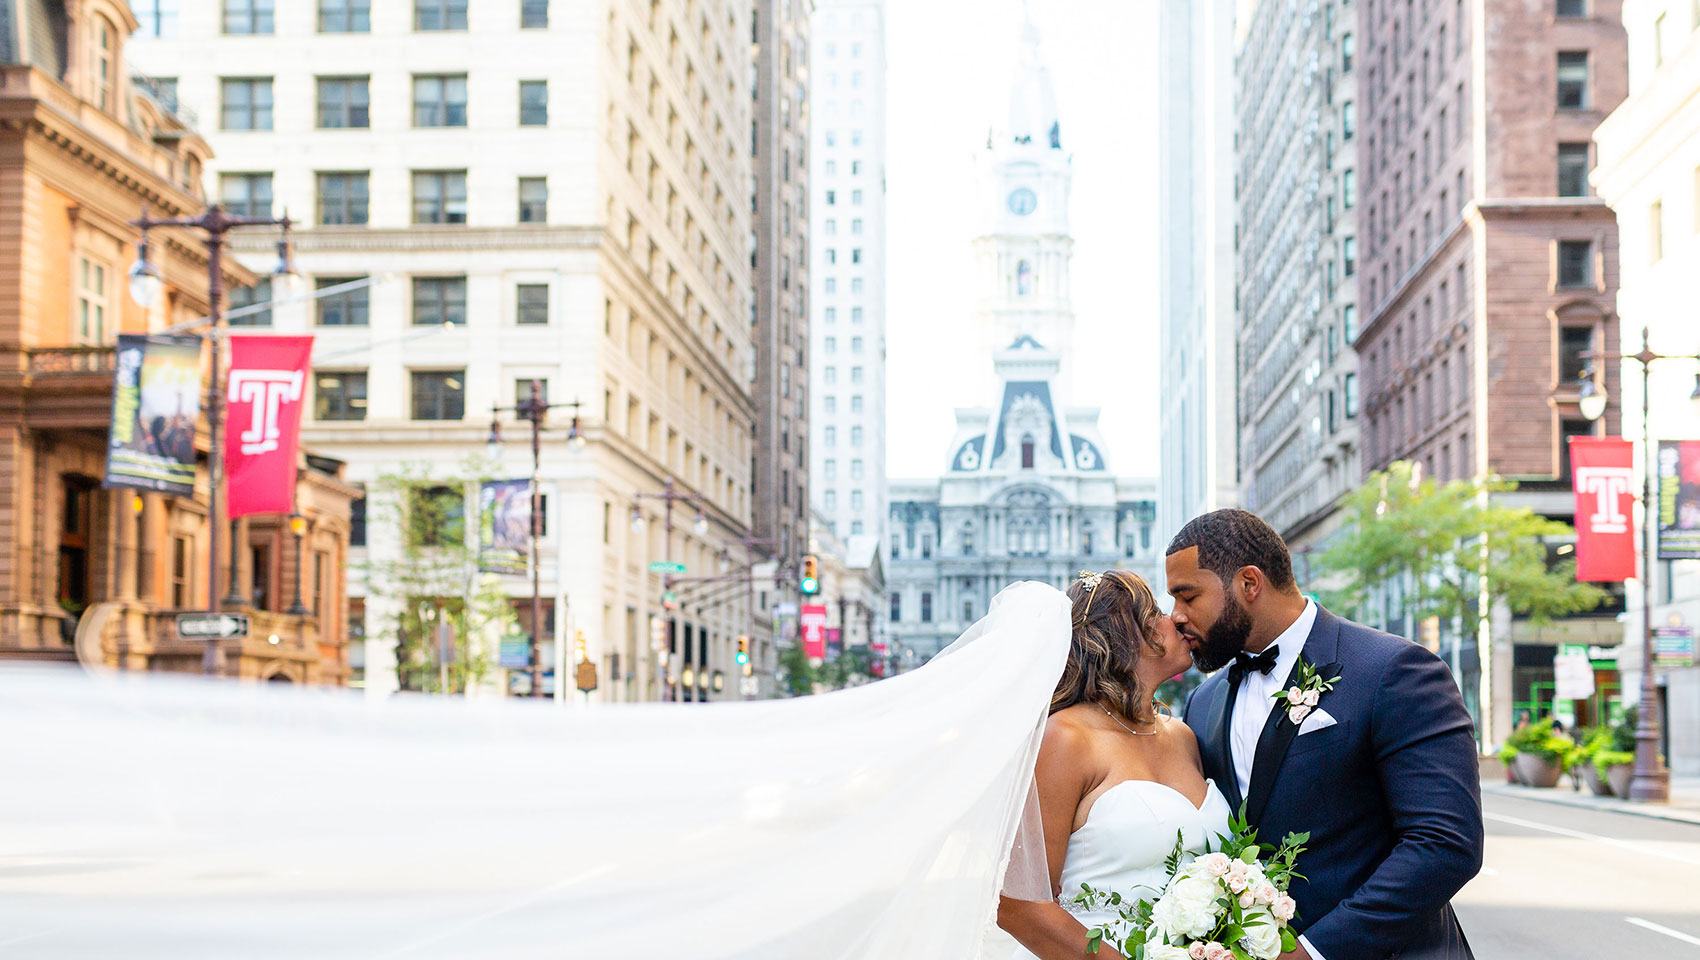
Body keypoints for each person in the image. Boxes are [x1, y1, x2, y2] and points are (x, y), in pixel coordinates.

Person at [1171, 509, 1483, 960]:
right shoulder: (1204, 702)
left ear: (1249, 583)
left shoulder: (1396, 670)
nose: (1177, 616)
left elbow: (1445, 844)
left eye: (1187, 596)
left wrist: (1314, 952)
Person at [998, 569, 1230, 959]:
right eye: (1155, 611)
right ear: (1123, 635)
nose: (1173, 619)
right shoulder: (1066, 739)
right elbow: (1019, 904)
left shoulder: (1182, 736)